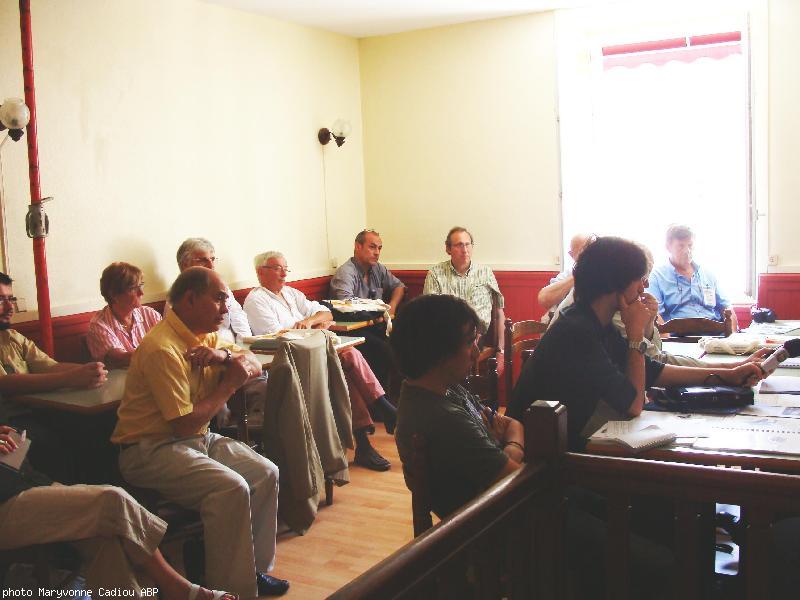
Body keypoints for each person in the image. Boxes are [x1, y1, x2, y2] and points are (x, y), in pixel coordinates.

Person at [111, 267, 288, 598]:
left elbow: (250, 361)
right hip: (149, 450)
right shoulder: (163, 347)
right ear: (190, 299)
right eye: (219, 298)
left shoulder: (204, 336)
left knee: (266, 472)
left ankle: (254, 571)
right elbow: (184, 423)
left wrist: (223, 356)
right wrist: (229, 383)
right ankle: (230, 589)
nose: (226, 307)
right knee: (231, 488)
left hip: (193, 441)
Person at [508, 237, 764, 451]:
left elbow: (654, 370)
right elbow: (633, 404)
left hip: (570, 443)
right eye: (640, 278)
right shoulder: (577, 331)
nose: (646, 286)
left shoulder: (595, 321)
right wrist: (635, 336)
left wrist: (729, 375)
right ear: (616, 285)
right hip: (545, 466)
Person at [0, 425, 235, 600]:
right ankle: (177, 587)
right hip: (7, 502)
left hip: (26, 482)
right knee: (111, 501)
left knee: (106, 539)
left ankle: (171, 590)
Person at [244, 251, 397, 471]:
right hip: (290, 361)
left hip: (314, 350)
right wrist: (313, 327)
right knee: (348, 356)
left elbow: (326, 313)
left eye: (286, 268)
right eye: (277, 268)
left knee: (347, 363)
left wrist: (309, 322)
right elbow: (277, 337)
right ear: (261, 272)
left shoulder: (290, 293)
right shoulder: (256, 300)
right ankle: (382, 410)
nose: (284, 274)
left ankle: (365, 441)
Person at [391, 294, 523, 519]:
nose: (476, 352)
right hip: (487, 528)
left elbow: (513, 423)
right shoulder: (443, 418)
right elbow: (514, 475)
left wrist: (506, 445)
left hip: (495, 510)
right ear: (440, 352)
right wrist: (511, 447)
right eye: (469, 342)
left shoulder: (442, 388)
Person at [0, 272, 108, 482]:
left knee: (93, 428)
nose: (10, 307)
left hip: (34, 412)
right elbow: (5, 384)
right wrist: (70, 378)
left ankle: (93, 494)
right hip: (7, 421)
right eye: (1, 300)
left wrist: (89, 370)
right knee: (47, 445)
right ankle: (53, 496)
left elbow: (50, 367)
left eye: (11, 299)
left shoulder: (12, 337)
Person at [330, 229, 405, 387]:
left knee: (408, 338)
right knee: (384, 350)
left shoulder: (378, 268)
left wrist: (392, 307)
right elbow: (346, 305)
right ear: (358, 246)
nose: (377, 252)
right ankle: (380, 401)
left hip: (376, 325)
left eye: (379, 248)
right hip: (353, 331)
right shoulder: (346, 273)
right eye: (372, 247)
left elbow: (399, 287)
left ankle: (403, 394)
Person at [423, 226, 505, 352]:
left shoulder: (485, 273)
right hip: (447, 338)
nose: (465, 250)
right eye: (459, 245)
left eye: (468, 244)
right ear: (448, 249)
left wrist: (501, 351)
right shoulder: (435, 274)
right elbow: (430, 313)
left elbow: (499, 313)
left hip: (478, 336)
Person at [646, 224, 738, 331]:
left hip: (714, 339)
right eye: (681, 246)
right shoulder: (656, 277)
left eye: (690, 245)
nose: (687, 251)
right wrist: (665, 342)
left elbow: (727, 308)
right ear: (668, 247)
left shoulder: (708, 275)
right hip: (677, 340)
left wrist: (731, 339)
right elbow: (654, 314)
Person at [175, 238, 252, 344]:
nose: (211, 266)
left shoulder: (221, 287)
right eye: (202, 260)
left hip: (232, 348)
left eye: (212, 259)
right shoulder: (179, 297)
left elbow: (237, 315)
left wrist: (244, 344)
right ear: (185, 265)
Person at [87, 262, 162, 368]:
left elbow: (170, 341)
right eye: (133, 288)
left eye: (141, 286)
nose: (141, 293)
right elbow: (121, 359)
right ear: (114, 295)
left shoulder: (150, 314)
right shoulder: (98, 326)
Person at [537, 233, 593, 323]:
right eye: (584, 251)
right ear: (572, 255)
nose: (589, 255)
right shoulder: (568, 274)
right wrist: (578, 275)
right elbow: (544, 299)